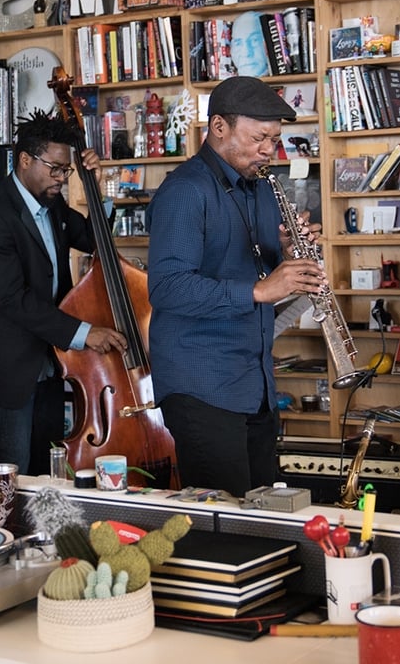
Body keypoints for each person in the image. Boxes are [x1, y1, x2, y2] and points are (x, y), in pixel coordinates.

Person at [145, 76, 325, 497]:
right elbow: (167, 287)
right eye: (260, 137)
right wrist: (259, 291)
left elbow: (258, 266)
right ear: (220, 127)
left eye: (275, 140)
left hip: (253, 382)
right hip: (202, 385)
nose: (269, 150)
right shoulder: (186, 191)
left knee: (261, 512)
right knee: (222, 521)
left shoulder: (261, 188)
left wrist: (285, 253)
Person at [0, 111, 127, 476]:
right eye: (56, 169)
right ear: (26, 160)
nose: (61, 178)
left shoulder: (52, 203)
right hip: (10, 366)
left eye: (66, 170)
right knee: (14, 468)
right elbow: (14, 299)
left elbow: (92, 241)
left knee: (48, 467)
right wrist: (86, 333)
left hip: (51, 359)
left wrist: (95, 186)